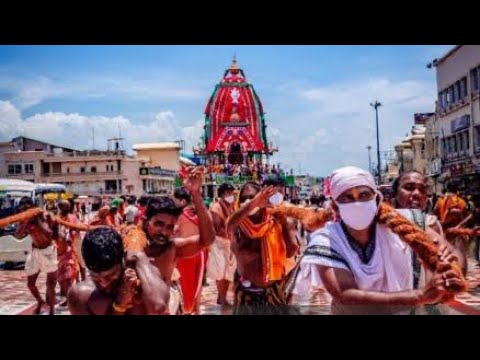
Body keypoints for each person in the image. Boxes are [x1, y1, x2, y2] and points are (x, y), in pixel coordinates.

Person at [292, 166, 464, 315]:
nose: (357, 202)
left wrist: (449, 269)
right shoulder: (326, 240)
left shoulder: (409, 221)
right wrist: (419, 296)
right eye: (347, 197)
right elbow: (345, 295)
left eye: (364, 194)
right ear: (336, 206)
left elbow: (451, 254)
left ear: (376, 199)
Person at [122, 166, 216, 314]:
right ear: (146, 222)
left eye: (170, 227)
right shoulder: (130, 243)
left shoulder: (172, 248)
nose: (164, 232)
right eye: (159, 224)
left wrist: (196, 195)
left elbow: (207, 240)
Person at [227, 182, 298, 314]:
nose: (249, 201)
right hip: (246, 292)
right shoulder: (238, 225)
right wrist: (254, 203)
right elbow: (230, 225)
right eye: (244, 199)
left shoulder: (276, 220)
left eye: (253, 197)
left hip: (273, 291)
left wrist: (283, 223)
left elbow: (291, 251)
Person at [67, 227, 169, 315]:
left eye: (110, 275)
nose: (104, 284)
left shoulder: (144, 279)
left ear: (123, 260)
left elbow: (158, 308)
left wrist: (138, 256)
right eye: (96, 277)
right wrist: (120, 304)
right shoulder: (81, 295)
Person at [13, 197, 57, 315]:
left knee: (50, 284)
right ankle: (41, 301)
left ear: (31, 207)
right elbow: (18, 236)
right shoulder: (24, 220)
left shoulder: (42, 216)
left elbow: (48, 233)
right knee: (30, 284)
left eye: (27, 208)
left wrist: (36, 219)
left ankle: (52, 310)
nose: (25, 211)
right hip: (35, 251)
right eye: (23, 209)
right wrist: (25, 222)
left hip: (49, 251)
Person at [173, 186, 209, 314]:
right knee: (198, 284)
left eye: (175, 199)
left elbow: (173, 231)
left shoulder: (179, 215)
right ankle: (197, 310)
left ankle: (186, 310)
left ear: (182, 201)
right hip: (201, 252)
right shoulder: (200, 213)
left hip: (186, 252)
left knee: (184, 284)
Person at [208, 183, 237, 305]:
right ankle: (220, 297)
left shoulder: (232, 206)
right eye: (228, 193)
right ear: (222, 194)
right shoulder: (216, 207)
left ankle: (223, 297)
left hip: (230, 242)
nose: (230, 195)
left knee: (229, 273)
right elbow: (218, 228)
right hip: (219, 243)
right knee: (220, 272)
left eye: (231, 193)